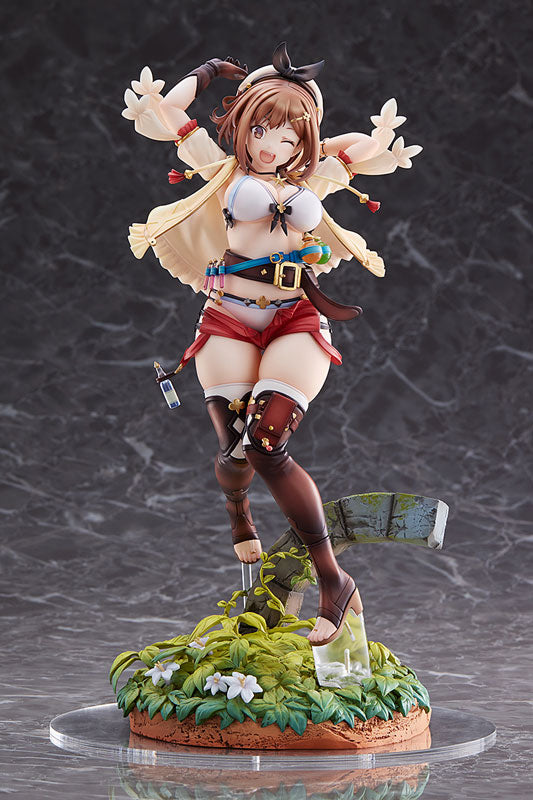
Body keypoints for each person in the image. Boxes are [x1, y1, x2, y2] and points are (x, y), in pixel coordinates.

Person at [123, 43, 422, 646]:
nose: (270, 145)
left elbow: (357, 151)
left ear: (302, 140)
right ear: (242, 125)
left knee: (266, 444)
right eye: (260, 129)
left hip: (295, 317)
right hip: (228, 319)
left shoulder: (315, 176)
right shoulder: (222, 170)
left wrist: (352, 137)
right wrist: (208, 71)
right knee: (234, 453)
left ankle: (334, 581)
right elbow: (169, 114)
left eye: (287, 136)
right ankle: (239, 512)